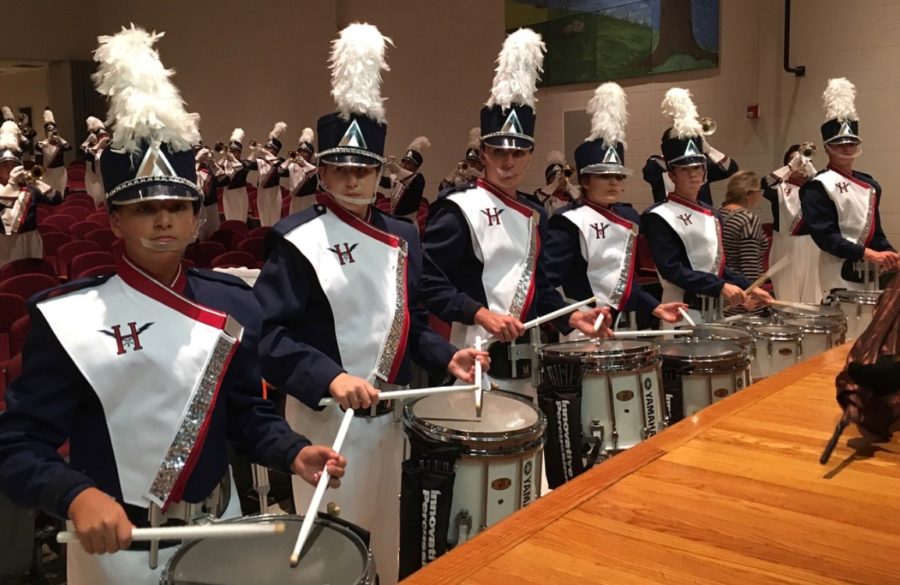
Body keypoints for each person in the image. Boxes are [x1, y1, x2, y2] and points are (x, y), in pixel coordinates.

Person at [0, 26, 346, 585]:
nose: (163, 220)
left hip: (220, 530)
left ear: (195, 216)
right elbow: (15, 445)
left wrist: (292, 452)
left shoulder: (231, 302)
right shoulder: (67, 318)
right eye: (144, 209)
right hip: (119, 546)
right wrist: (75, 495)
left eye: (177, 207)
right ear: (114, 218)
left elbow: (245, 413)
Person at [253, 24, 487, 585]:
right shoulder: (294, 239)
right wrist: (330, 378)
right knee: (327, 554)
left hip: (389, 415)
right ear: (323, 173)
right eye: (342, 168)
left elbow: (401, 318)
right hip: (322, 418)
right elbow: (268, 340)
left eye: (365, 168)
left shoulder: (402, 234)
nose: (355, 178)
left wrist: (441, 352)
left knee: (384, 539)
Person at [421, 28, 610, 398]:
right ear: (483, 154)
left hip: (526, 357)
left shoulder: (534, 211)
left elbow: (538, 290)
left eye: (519, 153)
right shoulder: (458, 207)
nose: (509, 161)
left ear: (530, 155)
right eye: (498, 152)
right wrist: (478, 312)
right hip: (473, 352)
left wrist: (570, 315)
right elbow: (428, 283)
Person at [545, 82, 686, 333]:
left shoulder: (629, 216)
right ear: (585, 181)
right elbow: (548, 284)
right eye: (604, 175)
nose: (613, 182)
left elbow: (626, 284)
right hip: (583, 327)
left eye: (619, 176)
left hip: (625, 327)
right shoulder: (567, 221)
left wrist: (654, 307)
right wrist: (573, 318)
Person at [642, 88, 771, 326]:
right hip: (681, 314)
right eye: (685, 170)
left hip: (715, 311)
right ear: (672, 173)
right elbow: (674, 270)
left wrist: (748, 286)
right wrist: (721, 286)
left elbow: (717, 267)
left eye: (698, 168)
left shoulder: (712, 213)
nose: (694, 176)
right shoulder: (658, 216)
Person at [800, 78, 899, 296]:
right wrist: (866, 253)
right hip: (837, 267)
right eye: (839, 144)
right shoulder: (818, 186)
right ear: (827, 148)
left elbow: (876, 234)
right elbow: (826, 237)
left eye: (851, 143)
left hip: (869, 266)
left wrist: (890, 254)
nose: (846, 148)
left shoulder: (871, 185)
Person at [762, 144, 821, 303]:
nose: (799, 163)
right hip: (786, 245)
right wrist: (790, 167)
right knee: (787, 297)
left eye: (803, 159)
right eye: (794, 160)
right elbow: (764, 183)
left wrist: (812, 172)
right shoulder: (778, 188)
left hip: (812, 246)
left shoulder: (816, 187)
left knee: (812, 296)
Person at [0, 120, 62, 266]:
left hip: (31, 238)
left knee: (33, 272)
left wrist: (36, 181)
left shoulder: (27, 186)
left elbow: (56, 199)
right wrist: (12, 184)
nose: (9, 169)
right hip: (5, 241)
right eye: (4, 166)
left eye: (13, 165)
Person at [642, 117, 738, 207]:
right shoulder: (656, 165)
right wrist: (672, 154)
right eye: (684, 169)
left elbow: (731, 169)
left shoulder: (701, 164)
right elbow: (650, 170)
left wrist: (710, 150)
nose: (693, 174)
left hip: (702, 215)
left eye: (696, 168)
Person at [718, 171, 768, 315]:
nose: (760, 195)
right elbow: (749, 261)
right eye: (759, 191)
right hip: (742, 295)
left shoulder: (718, 213)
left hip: (723, 291)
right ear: (748, 193)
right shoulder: (748, 219)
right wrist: (751, 295)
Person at [248, 121, 287, 227]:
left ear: (276, 150)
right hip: (261, 192)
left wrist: (266, 153)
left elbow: (283, 170)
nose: (267, 149)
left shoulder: (280, 160)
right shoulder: (261, 161)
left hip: (273, 193)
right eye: (267, 147)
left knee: (274, 218)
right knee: (263, 219)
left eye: (270, 148)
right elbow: (247, 165)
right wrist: (255, 151)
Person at [35, 107, 71, 197]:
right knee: (48, 196)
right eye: (48, 131)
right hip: (47, 172)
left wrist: (58, 137)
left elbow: (69, 147)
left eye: (52, 130)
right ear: (45, 132)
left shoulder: (60, 144)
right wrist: (48, 139)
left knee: (60, 195)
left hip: (60, 172)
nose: (50, 132)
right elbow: (38, 156)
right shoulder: (41, 144)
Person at [193, 140, 225, 238]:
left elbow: (224, 180)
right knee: (198, 235)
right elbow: (189, 178)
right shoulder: (190, 167)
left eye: (200, 150)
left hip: (212, 205)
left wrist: (212, 161)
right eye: (196, 151)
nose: (199, 153)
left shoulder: (210, 167)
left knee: (214, 234)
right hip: (197, 206)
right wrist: (196, 160)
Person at [532, 150, 579, 215]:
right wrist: (554, 185)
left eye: (561, 178)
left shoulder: (571, 196)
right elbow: (537, 199)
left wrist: (568, 185)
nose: (559, 180)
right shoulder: (543, 195)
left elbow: (582, 202)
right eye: (553, 178)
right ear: (548, 181)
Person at [220, 128, 252, 222]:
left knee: (240, 219)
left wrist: (232, 160)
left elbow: (241, 170)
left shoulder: (244, 164)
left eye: (235, 151)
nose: (233, 153)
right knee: (229, 218)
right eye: (231, 151)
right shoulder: (225, 163)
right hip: (227, 194)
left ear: (240, 152)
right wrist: (224, 156)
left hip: (239, 195)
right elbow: (216, 170)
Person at [284, 127, 318, 215]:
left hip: (308, 201)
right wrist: (288, 160)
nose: (301, 154)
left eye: (305, 152)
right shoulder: (292, 166)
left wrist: (304, 164)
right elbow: (280, 171)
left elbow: (314, 172)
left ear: (310, 155)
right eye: (300, 151)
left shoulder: (313, 166)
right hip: (295, 201)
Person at [438, 126, 483, 192]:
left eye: (475, 163)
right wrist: (453, 175)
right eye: (469, 161)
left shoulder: (487, 177)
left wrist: (479, 176)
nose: (471, 165)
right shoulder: (463, 175)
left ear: (482, 163)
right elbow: (442, 188)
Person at [80, 116, 110, 208]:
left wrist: (99, 144)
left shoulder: (104, 142)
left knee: (103, 197)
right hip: (90, 174)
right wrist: (88, 141)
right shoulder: (90, 142)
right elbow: (83, 151)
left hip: (101, 174)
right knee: (93, 197)